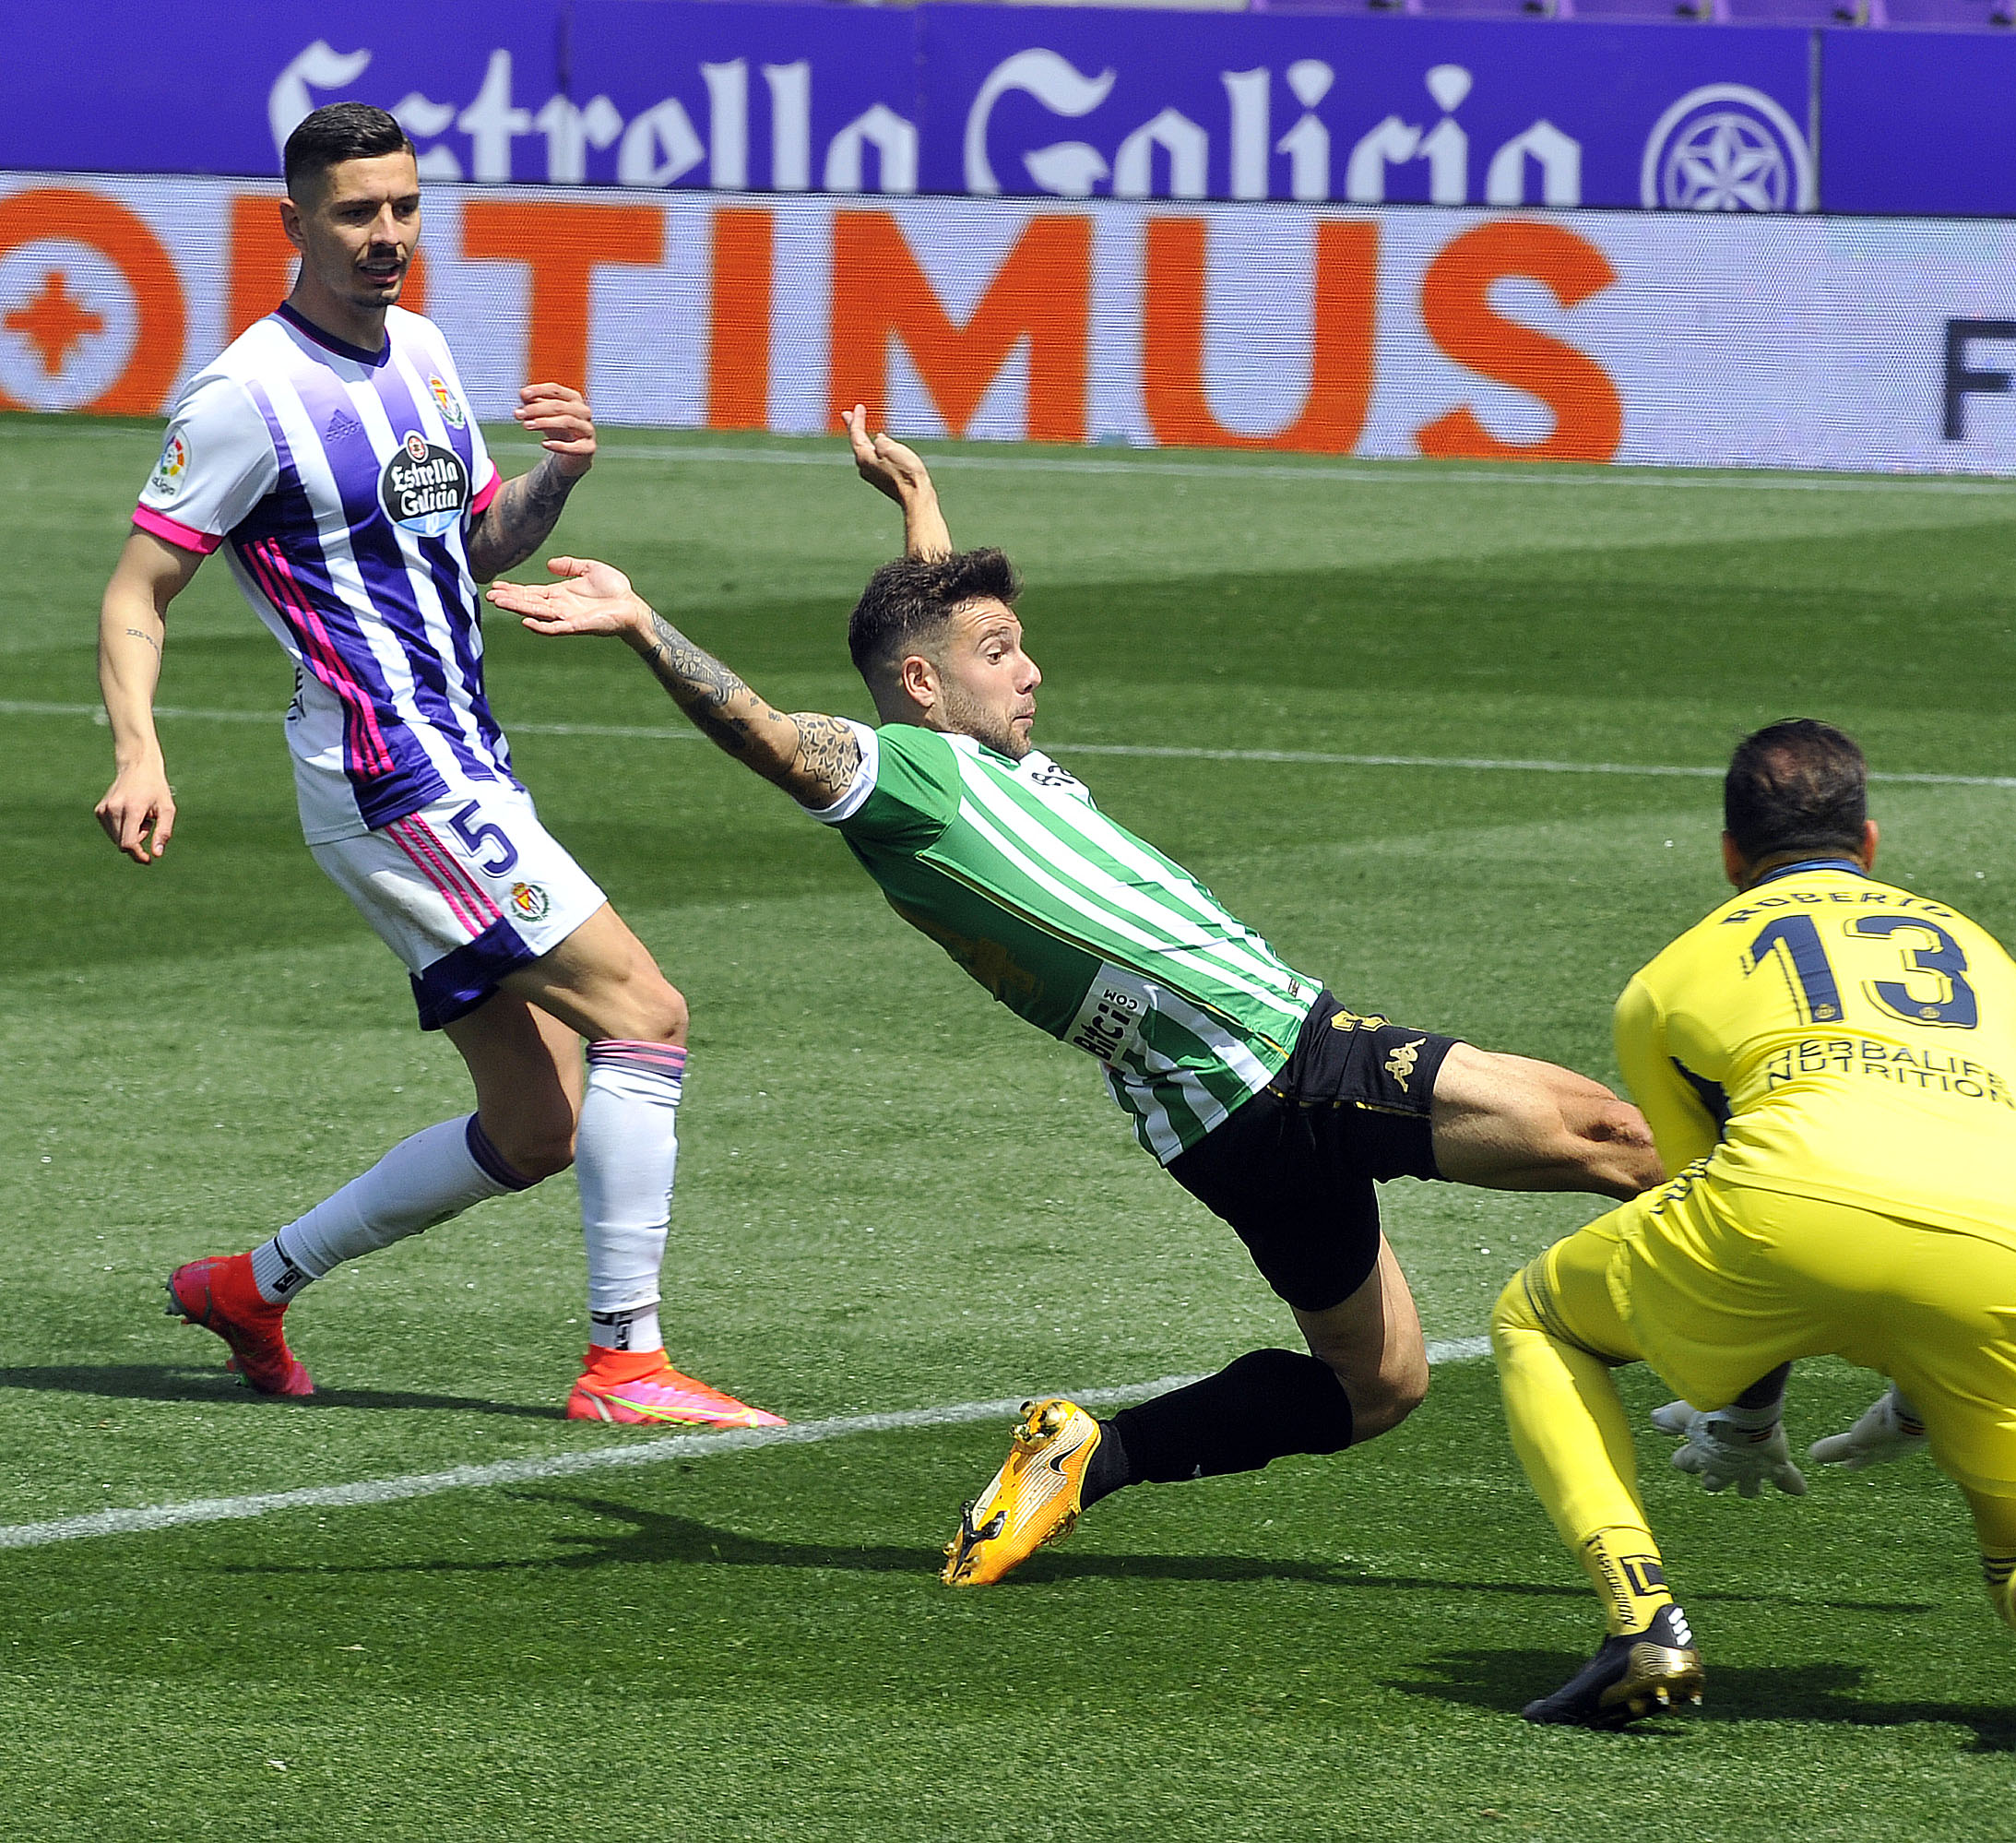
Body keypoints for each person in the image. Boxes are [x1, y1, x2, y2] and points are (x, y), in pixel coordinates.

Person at [480, 415, 1663, 1584]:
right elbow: (775, 737)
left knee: (1381, 1386)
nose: (1030, 667)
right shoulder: (914, 776)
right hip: (1280, 1055)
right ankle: (1759, 1347)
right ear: (925, 686)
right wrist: (644, 625)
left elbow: (924, 637)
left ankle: (1093, 1458)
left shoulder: (984, 762)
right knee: (1619, 1142)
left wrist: (916, 507)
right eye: (1000, 650)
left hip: (1216, 1127)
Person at [97, 103, 777, 1429]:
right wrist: (141, 750)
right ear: (293, 224)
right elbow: (138, 590)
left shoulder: (422, 349)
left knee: (536, 1127)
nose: (388, 235)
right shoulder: (246, 398)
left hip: (460, 759)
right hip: (391, 773)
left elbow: (466, 545)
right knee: (645, 1012)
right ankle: (623, 1361)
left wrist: (558, 478)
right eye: (357, 212)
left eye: (403, 206)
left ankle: (253, 1284)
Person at [1488, 719, 2016, 1758]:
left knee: (1538, 1317)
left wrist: (1745, 1414)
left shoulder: (1666, 979)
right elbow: (1971, 1171)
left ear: (1731, 855)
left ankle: (1641, 1622)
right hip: (2011, 1240)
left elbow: (1710, 1196)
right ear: (1867, 842)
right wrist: (1920, 1401)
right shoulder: (1992, 962)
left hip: (1781, 1214)